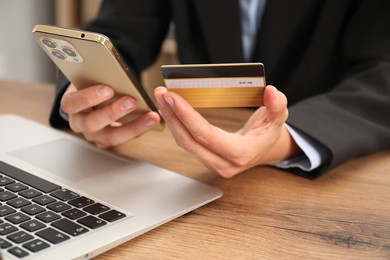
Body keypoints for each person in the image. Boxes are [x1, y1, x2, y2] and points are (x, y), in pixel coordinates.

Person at [49, 0, 390, 179]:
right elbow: (117, 31)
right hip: (190, 162)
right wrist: (87, 95)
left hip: (337, 163)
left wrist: (290, 139)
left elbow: (384, 70)